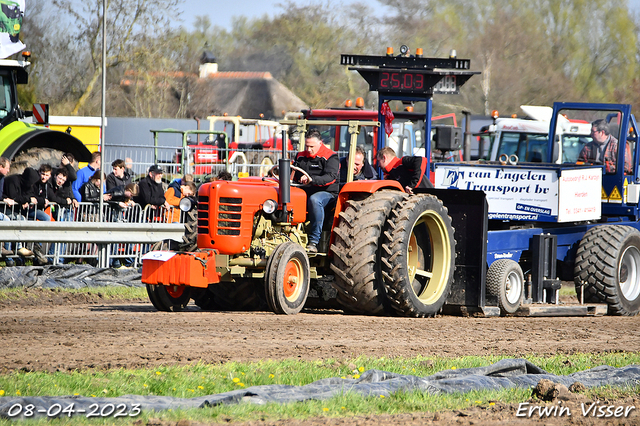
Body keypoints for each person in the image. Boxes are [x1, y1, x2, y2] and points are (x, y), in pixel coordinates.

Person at [292, 129, 339, 253]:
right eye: (307, 146)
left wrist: (311, 180)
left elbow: (330, 178)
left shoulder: (330, 156)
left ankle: (313, 241)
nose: (308, 150)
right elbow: (294, 173)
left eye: (311, 146)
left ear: (320, 143)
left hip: (327, 193)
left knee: (315, 200)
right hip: (305, 190)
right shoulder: (301, 156)